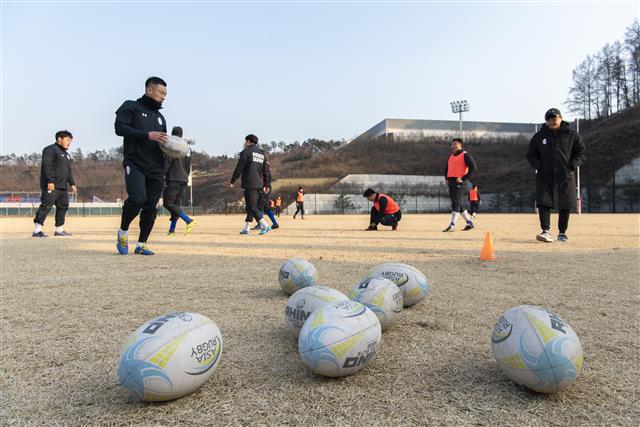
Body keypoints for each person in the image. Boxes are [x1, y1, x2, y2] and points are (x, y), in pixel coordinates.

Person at [114, 76, 169, 255]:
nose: (163, 96)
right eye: (161, 92)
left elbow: (163, 142)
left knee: (151, 205)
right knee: (137, 198)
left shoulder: (160, 118)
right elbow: (119, 129)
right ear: (149, 90)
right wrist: (147, 135)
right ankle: (123, 231)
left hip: (157, 167)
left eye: (166, 94)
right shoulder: (131, 106)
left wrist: (173, 149)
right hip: (135, 163)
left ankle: (142, 243)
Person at [527, 108, 586, 243]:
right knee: (543, 202)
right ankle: (545, 231)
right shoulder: (539, 136)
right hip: (544, 175)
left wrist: (572, 165)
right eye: (549, 119)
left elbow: (581, 152)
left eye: (554, 119)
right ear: (546, 121)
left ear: (560, 118)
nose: (552, 122)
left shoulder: (571, 134)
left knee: (565, 203)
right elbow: (531, 154)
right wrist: (539, 166)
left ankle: (562, 232)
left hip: (566, 174)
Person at [32, 130, 77, 238]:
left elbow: (68, 170)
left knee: (63, 207)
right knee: (46, 206)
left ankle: (59, 230)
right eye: (67, 140)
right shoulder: (49, 150)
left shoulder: (66, 154)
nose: (69, 142)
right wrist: (50, 181)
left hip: (63, 186)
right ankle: (37, 230)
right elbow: (47, 166)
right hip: (51, 185)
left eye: (70, 140)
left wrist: (72, 183)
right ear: (59, 139)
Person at [230, 134, 271, 235]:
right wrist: (266, 184)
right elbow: (266, 171)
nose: (244, 143)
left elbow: (239, 167)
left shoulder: (246, 152)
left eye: (245, 141)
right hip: (259, 184)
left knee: (252, 206)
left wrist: (233, 180)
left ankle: (264, 225)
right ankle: (246, 228)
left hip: (249, 182)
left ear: (248, 141)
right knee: (250, 206)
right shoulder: (262, 153)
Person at [163, 126, 195, 236]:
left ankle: (188, 220)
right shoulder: (188, 148)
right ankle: (171, 230)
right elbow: (188, 164)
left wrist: (162, 174)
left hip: (173, 178)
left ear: (172, 134)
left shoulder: (172, 146)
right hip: (184, 178)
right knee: (176, 205)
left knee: (168, 203)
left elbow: (168, 161)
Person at [443, 138, 477, 232]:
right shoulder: (451, 156)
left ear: (460, 145)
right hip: (451, 181)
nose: (452, 145)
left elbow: (473, 168)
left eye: (455, 143)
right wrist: (446, 178)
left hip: (460, 182)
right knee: (459, 204)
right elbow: (446, 168)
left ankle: (452, 225)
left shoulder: (465, 155)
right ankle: (469, 223)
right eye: (452, 144)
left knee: (455, 203)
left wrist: (463, 178)